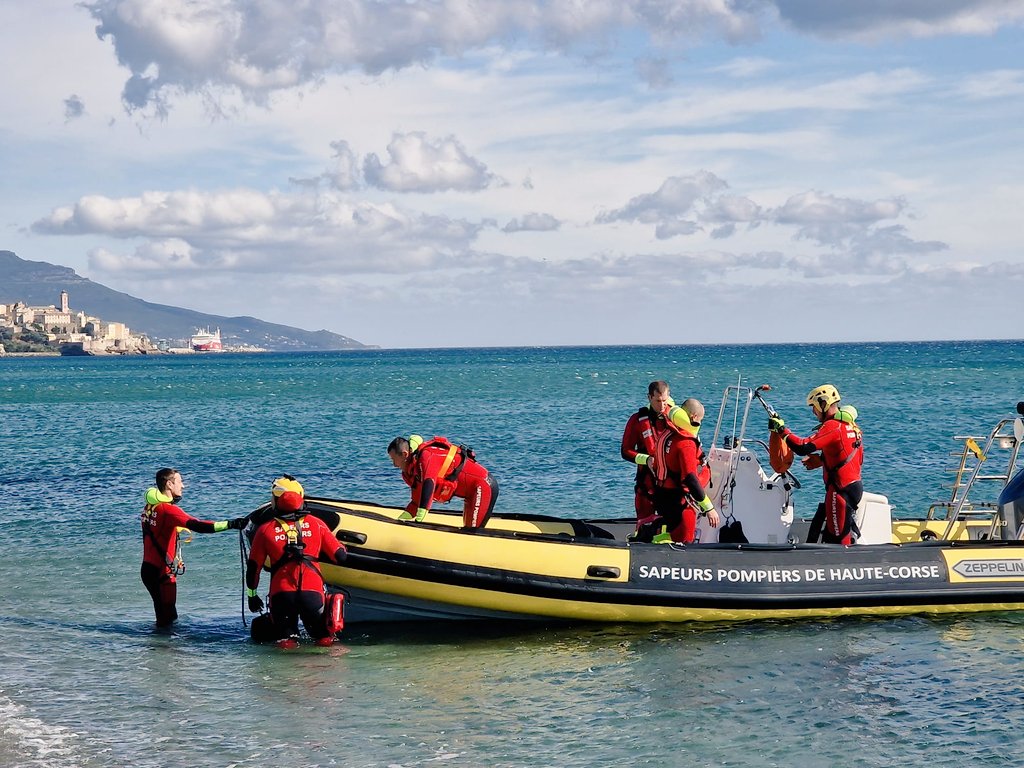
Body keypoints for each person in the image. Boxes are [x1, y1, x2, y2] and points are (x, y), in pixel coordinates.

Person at [246, 476, 347, 648]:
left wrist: (252, 596)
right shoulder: (317, 524)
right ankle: (329, 671)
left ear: (276, 501)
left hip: (282, 595)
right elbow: (340, 557)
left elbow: (253, 568)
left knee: (286, 642)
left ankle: (288, 673)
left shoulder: (265, 530)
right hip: (312, 594)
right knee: (324, 639)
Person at [140, 468, 248, 627]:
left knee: (162, 614)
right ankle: (164, 649)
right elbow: (198, 525)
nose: (183, 486)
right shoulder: (168, 510)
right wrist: (230, 524)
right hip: (162, 572)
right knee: (169, 619)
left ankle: (158, 648)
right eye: (180, 482)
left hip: (148, 569)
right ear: (169, 484)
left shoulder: (150, 507)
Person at [768, 384, 864, 545]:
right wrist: (822, 460)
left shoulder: (833, 426)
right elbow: (851, 457)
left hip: (839, 490)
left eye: (814, 407)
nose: (814, 411)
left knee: (839, 541)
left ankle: (838, 566)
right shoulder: (851, 427)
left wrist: (782, 430)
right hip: (851, 487)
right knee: (829, 531)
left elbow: (802, 446)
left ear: (823, 403)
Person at [637, 398, 721, 543]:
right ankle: (649, 541)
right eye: (701, 420)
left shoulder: (667, 433)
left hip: (662, 496)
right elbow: (690, 478)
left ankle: (649, 537)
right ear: (694, 417)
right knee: (685, 541)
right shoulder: (686, 442)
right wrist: (709, 509)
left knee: (674, 535)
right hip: (678, 501)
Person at [387, 435, 498, 529]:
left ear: (405, 454)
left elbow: (429, 483)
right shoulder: (412, 472)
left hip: (483, 485)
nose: (393, 465)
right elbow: (417, 501)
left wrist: (419, 520)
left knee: (471, 532)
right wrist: (400, 520)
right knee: (467, 529)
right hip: (469, 495)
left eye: (393, 459)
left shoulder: (426, 456)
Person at [621, 380, 674, 534]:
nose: (662, 406)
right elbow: (625, 451)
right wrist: (646, 459)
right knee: (644, 528)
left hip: (671, 486)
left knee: (672, 528)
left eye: (664, 401)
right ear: (649, 398)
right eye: (658, 401)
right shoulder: (637, 420)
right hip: (647, 485)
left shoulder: (676, 418)